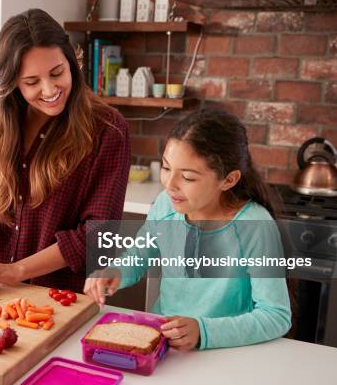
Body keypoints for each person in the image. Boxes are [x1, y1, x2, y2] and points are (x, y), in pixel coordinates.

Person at [0, 9, 130, 293]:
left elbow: (98, 236)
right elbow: (0, 191)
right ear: (13, 84)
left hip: (60, 298)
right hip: (2, 292)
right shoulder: (8, 119)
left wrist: (16, 270)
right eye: (32, 82)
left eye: (57, 73)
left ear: (71, 63)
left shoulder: (108, 129)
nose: (49, 90)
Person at [84, 110, 292, 351]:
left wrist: (203, 332)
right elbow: (139, 257)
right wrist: (115, 272)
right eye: (166, 168)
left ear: (228, 180)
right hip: (164, 344)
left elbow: (276, 316)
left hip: (226, 351)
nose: (170, 185)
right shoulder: (166, 205)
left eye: (188, 177)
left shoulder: (255, 225)